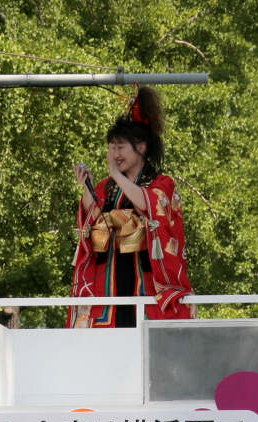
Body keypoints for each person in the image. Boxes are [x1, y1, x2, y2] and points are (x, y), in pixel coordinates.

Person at [67, 87, 194, 329]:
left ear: (141, 147)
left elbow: (150, 204)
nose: (114, 154)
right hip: (108, 285)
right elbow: (88, 217)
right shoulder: (107, 186)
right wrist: (87, 186)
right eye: (112, 147)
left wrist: (116, 174)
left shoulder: (161, 183)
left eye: (120, 147)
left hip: (147, 284)